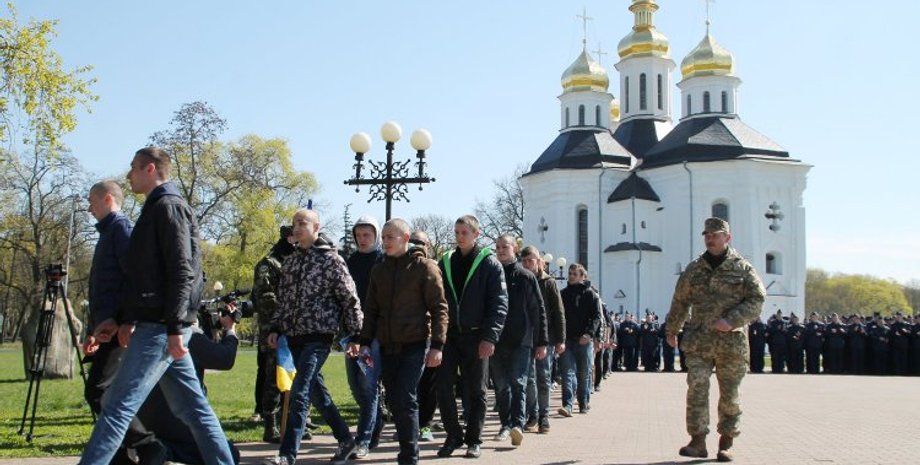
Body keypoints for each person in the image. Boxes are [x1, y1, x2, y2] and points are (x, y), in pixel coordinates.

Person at [78, 147, 234, 465]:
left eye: (133, 168)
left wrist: (175, 326)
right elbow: (144, 277)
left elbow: (182, 270)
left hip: (160, 329)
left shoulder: (168, 207)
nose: (128, 175)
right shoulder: (156, 208)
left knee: (116, 408)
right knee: (193, 410)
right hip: (160, 326)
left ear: (150, 169)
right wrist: (124, 319)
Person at [262, 208, 363, 465]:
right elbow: (284, 300)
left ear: (316, 228)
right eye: (294, 223)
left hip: (319, 337)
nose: (296, 228)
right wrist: (276, 328)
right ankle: (346, 439)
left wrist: (356, 334)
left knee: (300, 392)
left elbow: (349, 299)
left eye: (302, 223)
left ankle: (287, 454)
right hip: (294, 337)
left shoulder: (331, 260)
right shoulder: (291, 262)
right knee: (317, 395)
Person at [665, 218, 765, 462]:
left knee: (729, 394)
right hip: (699, 340)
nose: (710, 238)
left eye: (715, 234)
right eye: (707, 235)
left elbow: (757, 299)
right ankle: (697, 440)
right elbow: (680, 301)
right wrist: (672, 329)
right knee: (696, 387)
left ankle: (727, 441)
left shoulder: (742, 268)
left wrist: (732, 320)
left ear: (727, 238)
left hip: (731, 344)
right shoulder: (694, 269)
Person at [81, 180, 164, 465]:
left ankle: (147, 445)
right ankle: (123, 456)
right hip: (108, 327)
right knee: (108, 393)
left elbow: (134, 278)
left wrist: (126, 320)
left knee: (99, 391)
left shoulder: (120, 229)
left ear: (107, 199)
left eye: (92, 201)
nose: (89, 208)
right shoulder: (109, 232)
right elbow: (103, 288)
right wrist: (94, 329)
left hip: (119, 328)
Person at [359, 218, 448, 465]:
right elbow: (371, 309)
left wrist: (437, 345)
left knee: (405, 397)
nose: (385, 242)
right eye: (383, 237)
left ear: (406, 238)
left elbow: (440, 308)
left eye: (391, 237)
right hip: (387, 345)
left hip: (415, 343)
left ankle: (409, 456)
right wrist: (365, 341)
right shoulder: (379, 270)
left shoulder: (424, 268)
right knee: (395, 400)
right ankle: (407, 448)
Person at [435, 214, 508, 459]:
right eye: (457, 232)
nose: (459, 237)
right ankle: (453, 435)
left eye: (464, 232)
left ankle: (474, 440)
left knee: (477, 390)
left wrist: (490, 337)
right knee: (443, 386)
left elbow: (499, 304)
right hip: (449, 336)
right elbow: (437, 299)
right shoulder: (445, 261)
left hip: (477, 336)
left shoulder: (489, 263)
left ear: (477, 234)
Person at [134, 311, 242, 465]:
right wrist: (230, 329)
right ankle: (167, 453)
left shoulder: (144, 336)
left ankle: (155, 450)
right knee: (229, 452)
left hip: (145, 421)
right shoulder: (187, 337)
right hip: (178, 422)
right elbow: (225, 358)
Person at [489, 235, 548, 447]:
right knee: (501, 386)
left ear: (515, 249)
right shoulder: (491, 274)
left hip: (521, 340)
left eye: (505, 247)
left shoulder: (525, 276)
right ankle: (505, 424)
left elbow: (538, 310)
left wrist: (541, 341)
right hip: (495, 339)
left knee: (518, 383)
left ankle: (517, 425)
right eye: (497, 247)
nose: (500, 250)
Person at [344, 215, 385, 458]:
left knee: (369, 386)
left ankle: (363, 440)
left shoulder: (383, 261)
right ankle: (376, 420)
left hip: (374, 335)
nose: (362, 239)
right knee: (355, 385)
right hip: (352, 333)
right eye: (358, 235)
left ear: (376, 235)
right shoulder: (349, 262)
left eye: (367, 235)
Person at [252, 225, 297, 443]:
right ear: (288, 238)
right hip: (274, 331)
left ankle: (292, 421)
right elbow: (265, 298)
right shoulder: (268, 264)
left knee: (295, 376)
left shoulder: (297, 261)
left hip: (297, 330)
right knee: (273, 377)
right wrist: (281, 321)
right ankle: (271, 424)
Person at [520, 245, 565, 434]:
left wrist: (560, 339)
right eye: (524, 261)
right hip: (525, 336)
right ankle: (533, 414)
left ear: (539, 262)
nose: (527, 264)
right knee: (529, 378)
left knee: (543, 377)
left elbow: (558, 312)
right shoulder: (520, 280)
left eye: (530, 260)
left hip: (546, 337)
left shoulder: (548, 282)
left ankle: (544, 417)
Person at [557, 263, 601, 417]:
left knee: (583, 373)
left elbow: (596, 317)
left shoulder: (590, 295)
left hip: (584, 340)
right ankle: (567, 405)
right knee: (567, 373)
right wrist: (559, 337)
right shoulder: (563, 294)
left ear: (583, 276)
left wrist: (589, 334)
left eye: (574, 274)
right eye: (569, 273)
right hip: (567, 340)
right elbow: (559, 316)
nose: (570, 276)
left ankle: (583, 402)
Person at [408, 231, 439, 442]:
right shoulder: (399, 267)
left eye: (421, 243)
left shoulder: (434, 268)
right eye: (413, 242)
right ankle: (409, 424)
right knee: (407, 384)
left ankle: (425, 424)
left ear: (428, 246)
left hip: (427, 333)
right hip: (405, 334)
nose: (417, 246)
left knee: (428, 383)